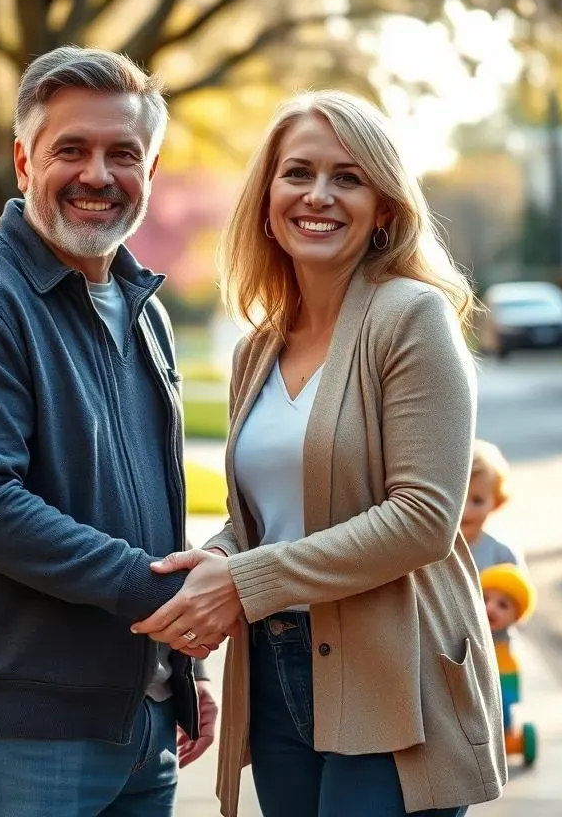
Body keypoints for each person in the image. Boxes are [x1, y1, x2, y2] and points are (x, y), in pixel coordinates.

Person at [132, 91, 506, 816]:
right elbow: (263, 520)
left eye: (348, 177)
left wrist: (242, 581)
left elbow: (424, 519)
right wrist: (205, 568)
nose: (319, 195)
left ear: (385, 208)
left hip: (394, 674)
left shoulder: (412, 318)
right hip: (273, 674)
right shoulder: (258, 348)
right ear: (268, 198)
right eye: (297, 173)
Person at [0, 46, 217, 817]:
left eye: (124, 153)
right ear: (22, 161)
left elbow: (149, 503)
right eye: (69, 149)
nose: (97, 174)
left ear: (150, 169)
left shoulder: (147, 312)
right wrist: (160, 594)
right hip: (24, 733)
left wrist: (183, 665)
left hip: (142, 725)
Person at [480, 563, 538, 762]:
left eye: (502, 605)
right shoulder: (471, 629)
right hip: (478, 683)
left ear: (516, 616)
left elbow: (510, 667)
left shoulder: (507, 638)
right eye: (485, 599)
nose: (490, 608)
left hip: (502, 680)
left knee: (504, 711)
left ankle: (508, 737)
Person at [462, 439, 524, 572]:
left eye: (477, 501)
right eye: (460, 500)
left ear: (496, 501)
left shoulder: (503, 555)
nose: (465, 511)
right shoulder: (430, 549)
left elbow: (520, 590)